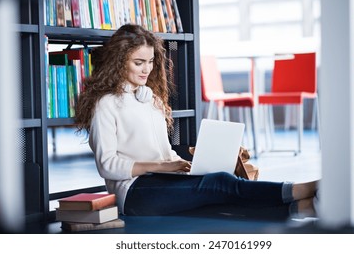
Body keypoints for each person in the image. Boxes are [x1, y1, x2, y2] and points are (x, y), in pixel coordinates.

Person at [75, 24, 318, 218]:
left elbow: (165, 151)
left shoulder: (150, 99)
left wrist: (184, 164)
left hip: (163, 180)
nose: (146, 69)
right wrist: (160, 167)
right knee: (220, 184)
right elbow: (106, 165)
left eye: (150, 62)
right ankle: (302, 190)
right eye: (138, 63)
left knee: (219, 198)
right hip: (133, 192)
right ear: (119, 63)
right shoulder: (106, 103)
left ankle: (305, 208)